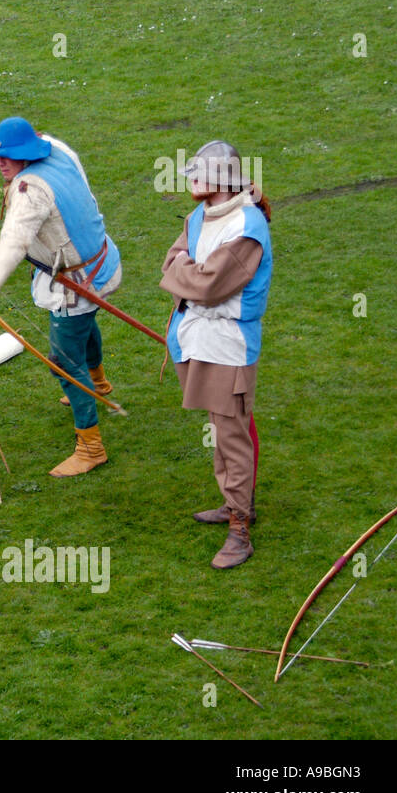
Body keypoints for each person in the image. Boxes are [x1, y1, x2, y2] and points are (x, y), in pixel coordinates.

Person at [0, 117, 122, 477]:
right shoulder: (56, 149)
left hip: (76, 284)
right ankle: (97, 383)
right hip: (100, 263)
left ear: (26, 155)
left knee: (64, 361)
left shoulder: (30, 191)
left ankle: (91, 447)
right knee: (83, 329)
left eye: (7, 158)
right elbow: (34, 141)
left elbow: (14, 239)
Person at [160, 141, 272, 569]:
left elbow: (207, 286)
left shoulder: (246, 228)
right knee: (220, 430)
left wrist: (186, 276)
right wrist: (190, 275)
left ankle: (240, 528)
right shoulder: (197, 216)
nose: (189, 179)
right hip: (197, 337)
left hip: (228, 346)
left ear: (221, 180)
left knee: (231, 436)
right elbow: (173, 261)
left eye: (197, 174)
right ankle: (233, 503)